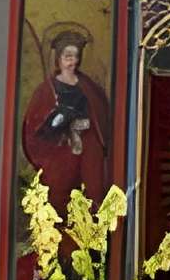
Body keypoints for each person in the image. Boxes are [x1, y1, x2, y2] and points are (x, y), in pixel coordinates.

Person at [20, 33, 111, 230]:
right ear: (59, 58)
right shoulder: (46, 90)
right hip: (60, 153)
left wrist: (86, 126)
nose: (72, 61)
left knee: (92, 193)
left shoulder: (88, 87)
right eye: (67, 56)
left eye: (75, 56)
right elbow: (34, 127)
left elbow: (100, 115)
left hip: (88, 148)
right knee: (59, 196)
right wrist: (57, 124)